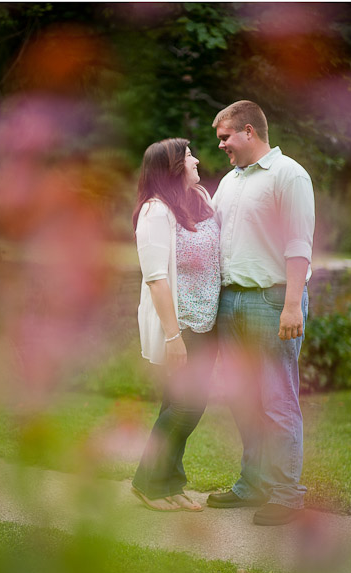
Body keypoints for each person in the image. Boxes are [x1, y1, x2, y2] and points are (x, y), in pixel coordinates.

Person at [207, 100, 314, 526]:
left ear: (249, 131)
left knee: (277, 398)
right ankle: (252, 484)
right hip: (230, 302)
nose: (221, 146)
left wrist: (292, 305)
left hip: (273, 302)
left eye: (225, 137)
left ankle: (287, 494)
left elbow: (298, 245)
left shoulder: (290, 175)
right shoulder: (230, 181)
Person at [131, 138, 219, 512]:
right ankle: (147, 482)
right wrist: (173, 336)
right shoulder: (155, 212)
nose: (196, 160)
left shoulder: (196, 199)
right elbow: (156, 278)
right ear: (171, 168)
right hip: (180, 327)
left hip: (206, 324)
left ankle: (169, 483)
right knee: (187, 407)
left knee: (178, 406)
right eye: (188, 156)